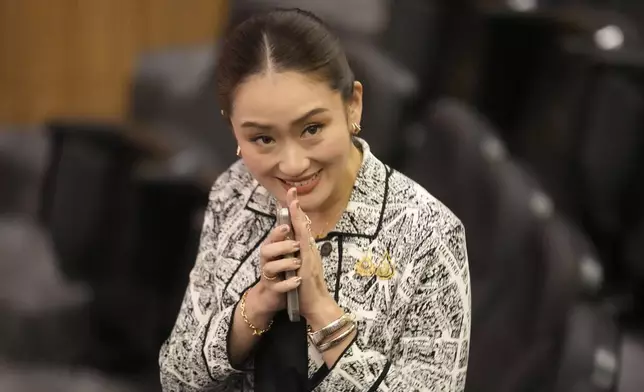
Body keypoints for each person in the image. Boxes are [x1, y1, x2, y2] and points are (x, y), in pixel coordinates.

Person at [159, 8, 471, 392]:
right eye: (262, 139)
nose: (292, 164)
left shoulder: (427, 233)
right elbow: (176, 377)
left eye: (311, 129)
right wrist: (254, 307)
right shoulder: (234, 194)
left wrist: (323, 313)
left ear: (352, 106)